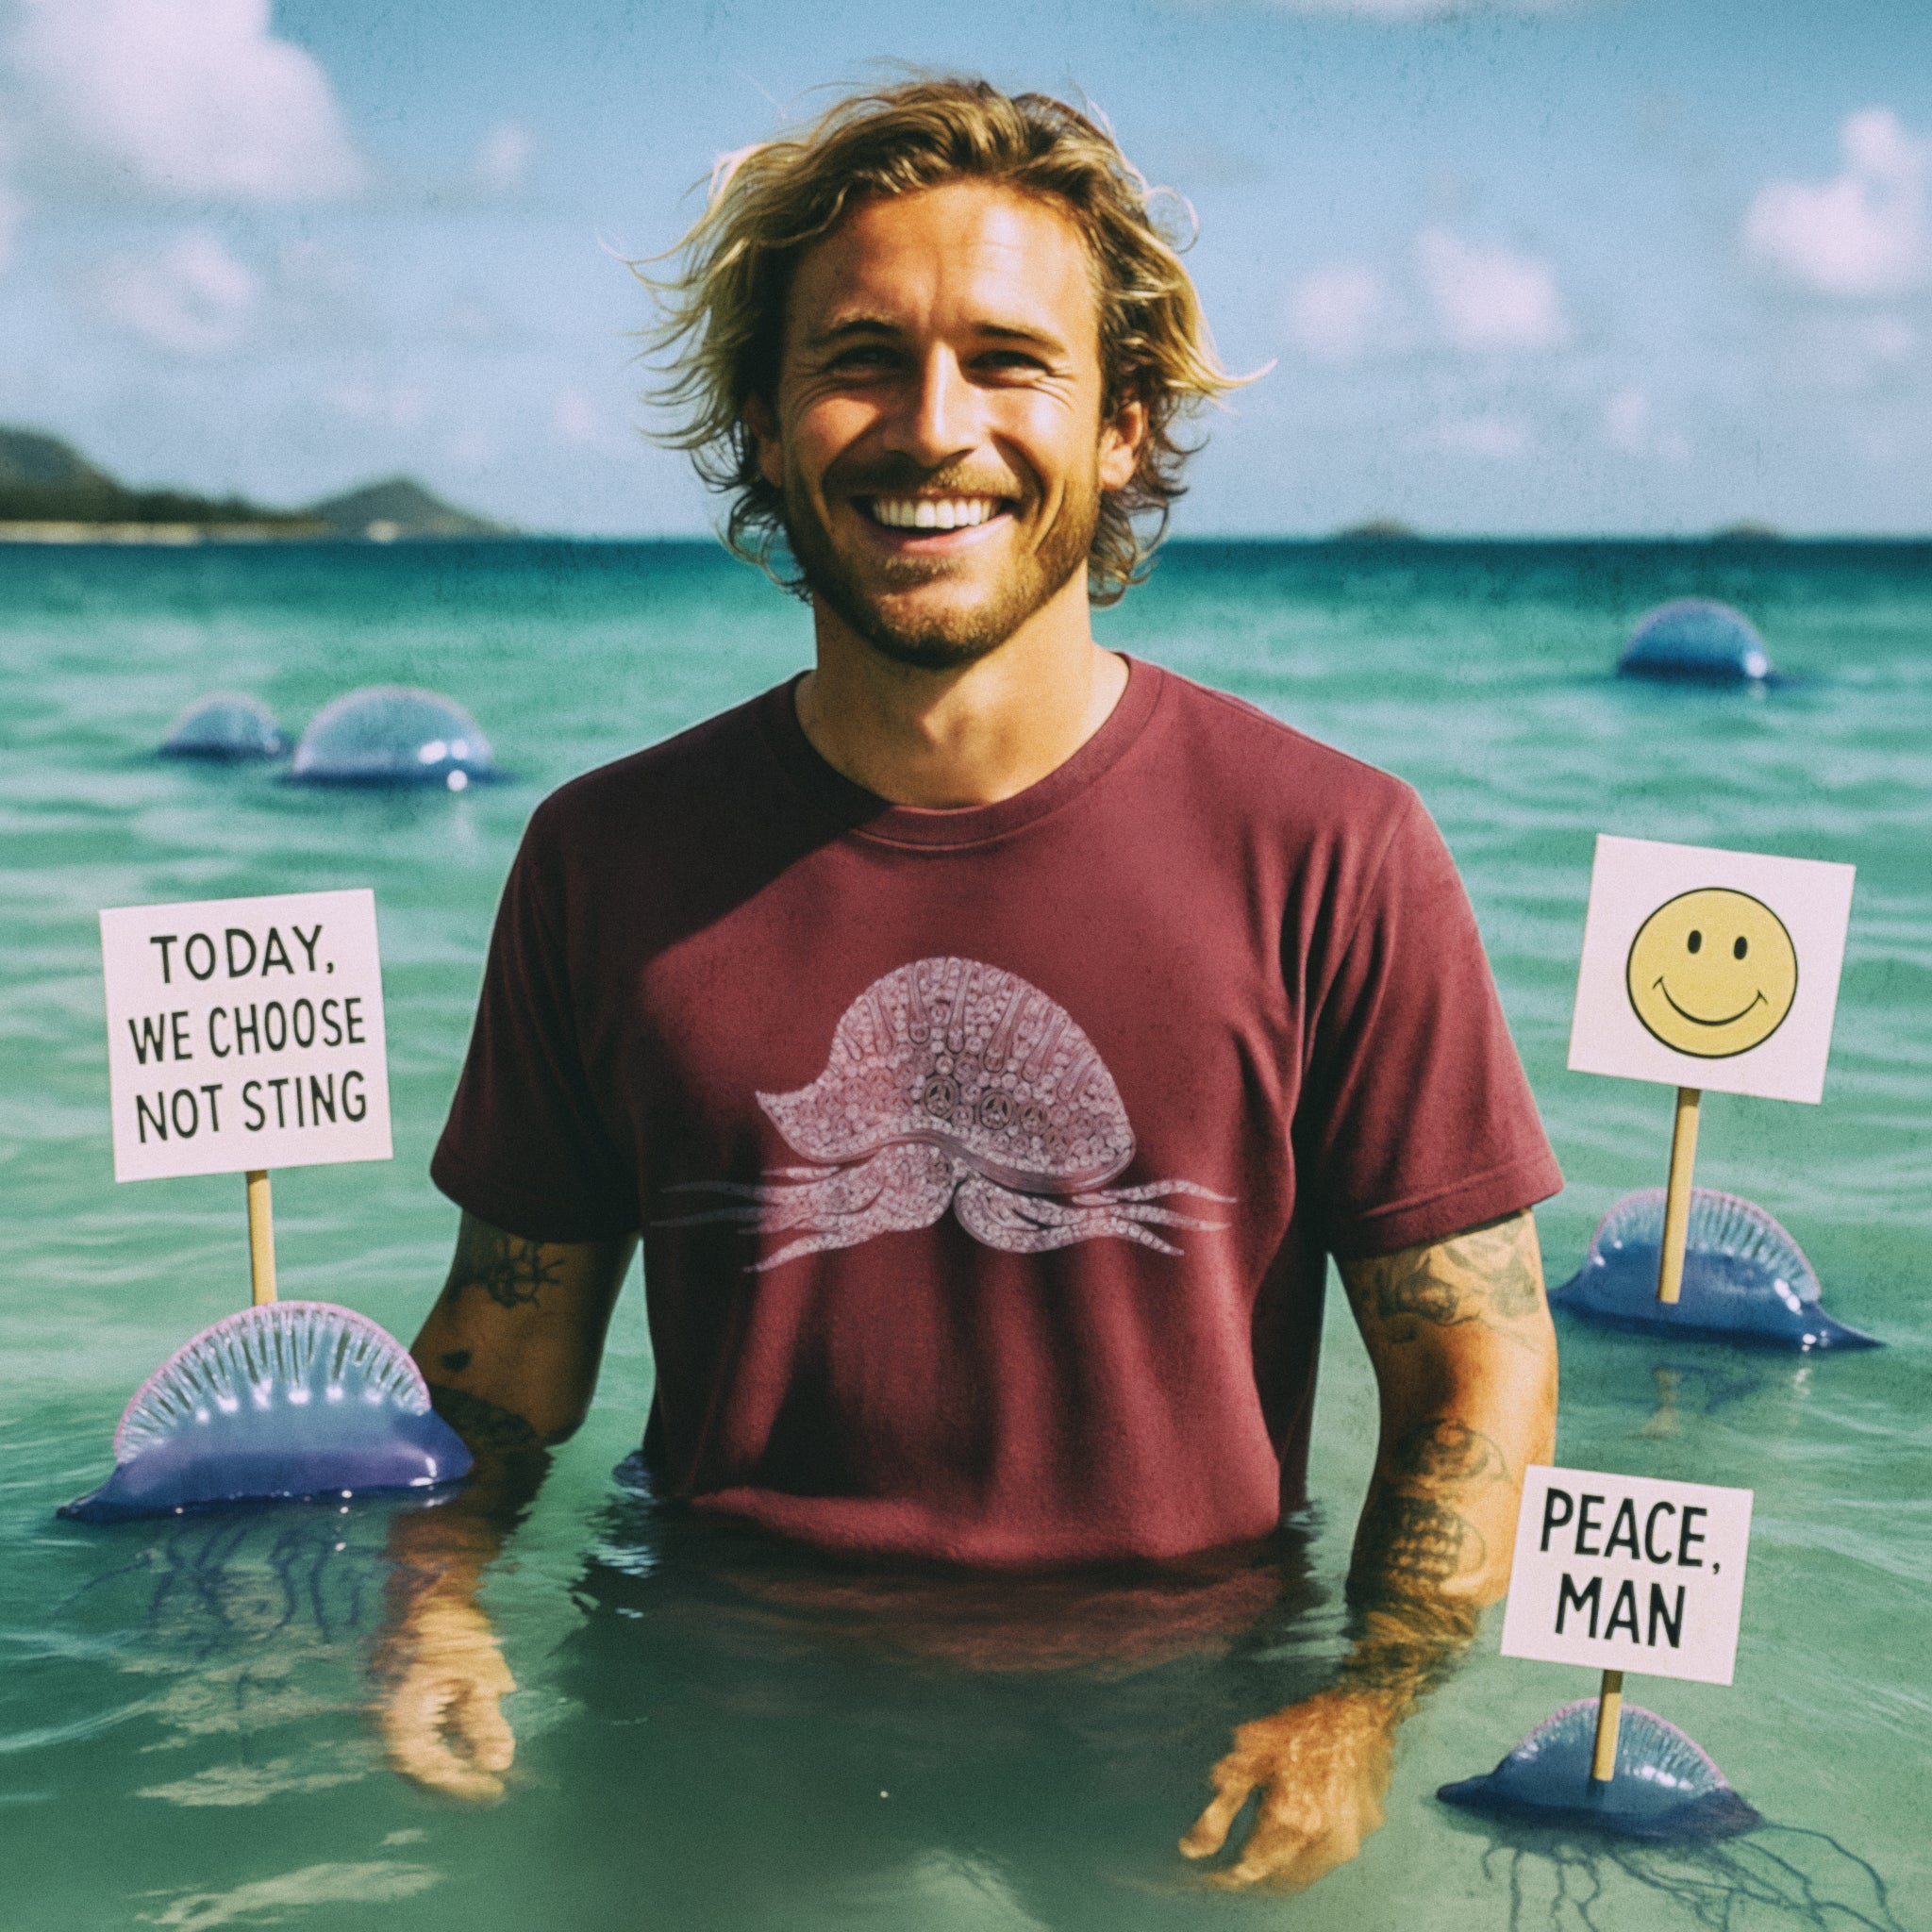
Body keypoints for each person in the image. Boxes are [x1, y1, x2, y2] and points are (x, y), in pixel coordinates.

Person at [376, 78, 1561, 1891]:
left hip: (1181, 1721)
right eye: (861, 361)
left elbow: (1475, 1358)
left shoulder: (1334, 852)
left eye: (1010, 362)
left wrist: (1369, 1702)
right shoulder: (605, 862)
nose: (936, 427)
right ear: (762, 422)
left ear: (1122, 424)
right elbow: (505, 1344)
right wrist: (429, 1598)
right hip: (720, 1695)